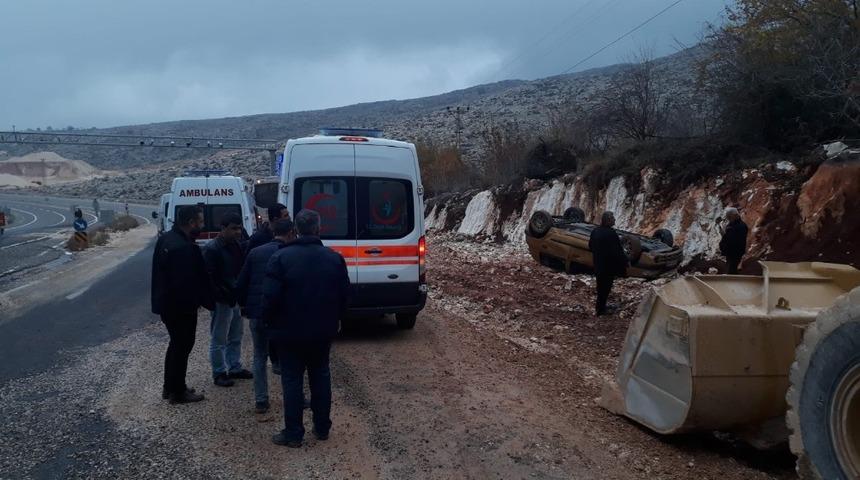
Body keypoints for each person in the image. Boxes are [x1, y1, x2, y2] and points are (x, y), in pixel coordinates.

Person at [263, 209, 350, 448]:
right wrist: (337, 319)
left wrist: (269, 323)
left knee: (292, 381)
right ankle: (322, 428)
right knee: (320, 376)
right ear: (319, 228)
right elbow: (344, 295)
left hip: (288, 332)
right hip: (322, 330)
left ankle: (294, 434)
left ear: (295, 231)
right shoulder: (334, 258)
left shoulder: (280, 258)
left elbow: (269, 297)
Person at [151, 205, 214, 404]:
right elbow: (186, 283)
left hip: (168, 305)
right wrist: (202, 302)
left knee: (176, 345)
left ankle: (170, 386)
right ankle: (178, 392)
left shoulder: (167, 239)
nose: (202, 225)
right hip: (180, 308)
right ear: (191, 222)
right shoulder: (183, 248)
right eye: (200, 221)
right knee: (182, 346)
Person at [236, 219, 296, 414]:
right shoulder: (290, 254)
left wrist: (246, 307)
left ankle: (261, 400)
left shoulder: (255, 253)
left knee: (259, 356)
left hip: (257, 313)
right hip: (282, 315)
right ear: (290, 233)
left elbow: (241, 284)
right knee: (288, 357)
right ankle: (295, 398)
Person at [203, 212, 253, 387]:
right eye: (234, 228)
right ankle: (219, 372)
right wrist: (222, 295)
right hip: (222, 301)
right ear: (223, 229)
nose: (238, 232)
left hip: (234, 298)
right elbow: (209, 279)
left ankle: (234, 367)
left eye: (239, 228)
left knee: (236, 335)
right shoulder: (212, 249)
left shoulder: (235, 245)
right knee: (219, 338)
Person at [588, 211, 629, 316]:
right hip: (608, 267)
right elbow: (617, 252)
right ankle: (601, 310)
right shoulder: (611, 234)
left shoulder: (595, 231)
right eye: (613, 218)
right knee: (605, 288)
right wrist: (626, 262)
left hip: (598, 264)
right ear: (608, 220)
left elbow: (590, 246)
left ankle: (600, 308)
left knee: (600, 287)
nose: (614, 220)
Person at [719, 207, 749, 274]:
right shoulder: (731, 225)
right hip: (729, 253)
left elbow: (735, 241)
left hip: (735, 254)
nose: (728, 219)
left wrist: (724, 235)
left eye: (729, 217)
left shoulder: (741, 226)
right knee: (729, 269)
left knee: (731, 270)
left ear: (735, 215)